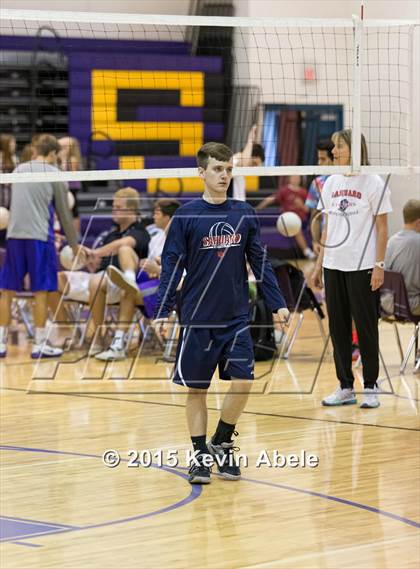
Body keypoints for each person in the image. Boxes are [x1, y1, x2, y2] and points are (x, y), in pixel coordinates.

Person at [153, 142, 290, 484]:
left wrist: (278, 303)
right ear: (201, 172)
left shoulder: (243, 212)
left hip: (235, 317)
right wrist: (163, 310)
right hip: (198, 317)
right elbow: (171, 265)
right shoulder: (186, 215)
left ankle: (222, 440)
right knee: (196, 390)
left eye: (228, 169)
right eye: (217, 169)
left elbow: (259, 262)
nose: (225, 175)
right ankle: (199, 455)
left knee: (243, 384)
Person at [310, 129, 392, 409]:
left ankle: (371, 385)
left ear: (354, 150)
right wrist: (318, 264)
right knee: (338, 328)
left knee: (366, 327)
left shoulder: (374, 182)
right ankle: (345, 386)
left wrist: (379, 265)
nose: (333, 152)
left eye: (338, 147)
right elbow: (329, 226)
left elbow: (382, 228)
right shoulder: (330, 182)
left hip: (363, 266)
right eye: (333, 147)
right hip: (334, 264)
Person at [0, 134, 84, 358]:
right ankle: (38, 344)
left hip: (14, 236)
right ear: (54, 153)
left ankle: (0, 343)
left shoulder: (18, 170)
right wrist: (75, 245)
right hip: (39, 238)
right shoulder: (56, 174)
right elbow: (64, 215)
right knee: (41, 292)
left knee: (7, 290)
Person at [50, 187, 150, 343]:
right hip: (97, 278)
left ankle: (98, 336)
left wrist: (95, 252)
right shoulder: (110, 234)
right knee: (53, 280)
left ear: (131, 210)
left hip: (120, 285)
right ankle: (65, 330)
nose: (114, 211)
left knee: (98, 280)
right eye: (113, 207)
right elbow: (96, 264)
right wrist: (84, 257)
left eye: (118, 208)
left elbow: (122, 244)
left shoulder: (140, 232)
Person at [94, 198, 181, 361]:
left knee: (129, 292)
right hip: (149, 281)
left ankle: (118, 345)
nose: (153, 216)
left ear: (168, 217)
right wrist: (145, 264)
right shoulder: (156, 238)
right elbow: (151, 263)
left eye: (157, 213)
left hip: (170, 289)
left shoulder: (183, 240)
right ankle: (129, 277)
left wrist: (158, 269)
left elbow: (183, 273)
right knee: (125, 250)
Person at [256, 175, 316, 259]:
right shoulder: (284, 190)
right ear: (290, 179)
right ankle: (307, 252)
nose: (296, 179)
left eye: (297, 177)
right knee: (294, 224)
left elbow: (307, 210)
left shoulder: (304, 192)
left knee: (299, 224)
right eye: (294, 177)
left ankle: (311, 251)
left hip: (302, 220)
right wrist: (257, 209)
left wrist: (301, 205)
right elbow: (270, 199)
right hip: (287, 219)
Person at [384, 199, 420, 315]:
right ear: (418, 222)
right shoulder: (417, 241)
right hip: (412, 304)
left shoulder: (392, 241)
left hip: (389, 304)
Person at [305, 139, 334, 256]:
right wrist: (315, 241)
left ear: (333, 160)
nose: (319, 163)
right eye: (318, 159)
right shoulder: (317, 183)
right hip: (325, 239)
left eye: (323, 159)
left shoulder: (346, 179)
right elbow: (315, 216)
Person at [228, 124, 265, 201]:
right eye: (254, 163)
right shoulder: (235, 160)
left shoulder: (241, 169)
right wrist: (250, 141)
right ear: (250, 155)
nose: (254, 167)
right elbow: (243, 163)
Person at [58, 136, 83, 233]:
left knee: (73, 210)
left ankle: (76, 233)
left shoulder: (72, 158)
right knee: (66, 210)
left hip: (72, 187)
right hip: (64, 186)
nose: (63, 149)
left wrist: (63, 158)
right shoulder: (62, 157)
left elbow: (66, 172)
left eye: (65, 147)